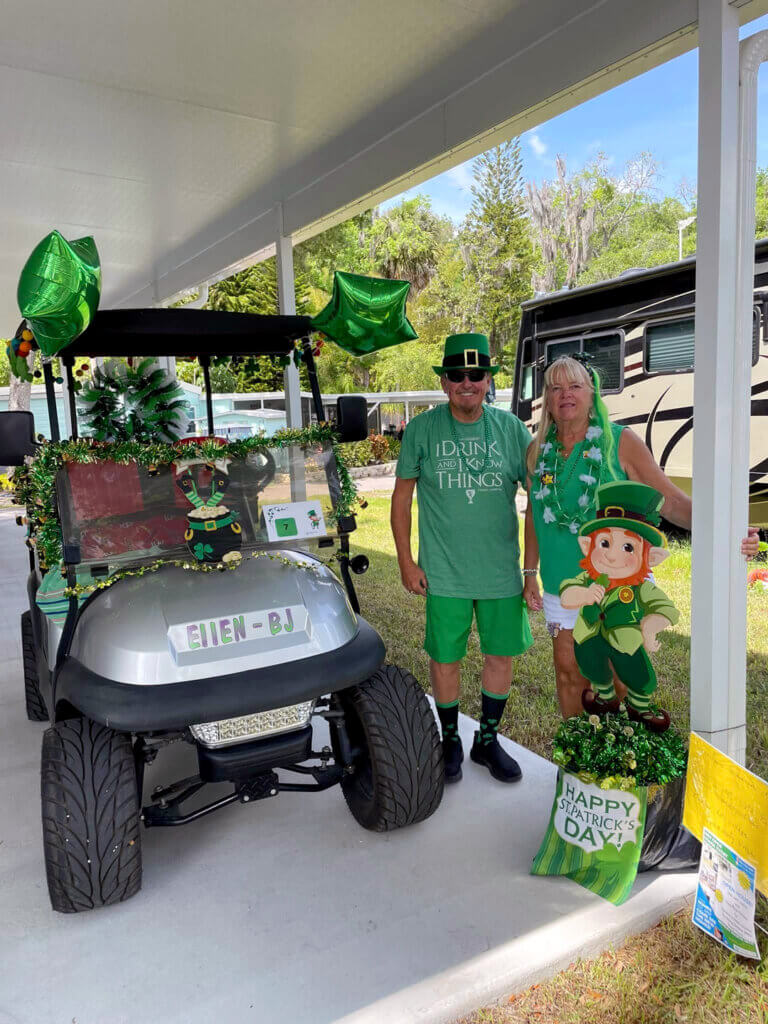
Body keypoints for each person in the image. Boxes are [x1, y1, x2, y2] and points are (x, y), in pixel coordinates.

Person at [522, 354, 760, 718]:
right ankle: (576, 760)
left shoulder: (620, 442)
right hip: (563, 585)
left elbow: (672, 502)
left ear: (592, 392)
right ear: (548, 400)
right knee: (569, 673)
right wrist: (529, 573)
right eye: (555, 388)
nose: (564, 394)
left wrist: (725, 527)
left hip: (619, 585)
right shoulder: (538, 451)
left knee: (619, 677)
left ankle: (619, 765)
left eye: (574, 386)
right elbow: (535, 517)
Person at [391, 333, 532, 784]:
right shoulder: (422, 429)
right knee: (445, 658)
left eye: (476, 375)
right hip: (443, 571)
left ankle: (486, 741)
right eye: (457, 375)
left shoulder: (511, 429)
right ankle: (450, 738)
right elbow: (401, 499)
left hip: (500, 573)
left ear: (489, 380)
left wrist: (532, 571)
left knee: (500, 656)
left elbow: (542, 499)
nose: (467, 383)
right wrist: (406, 561)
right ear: (445, 382)